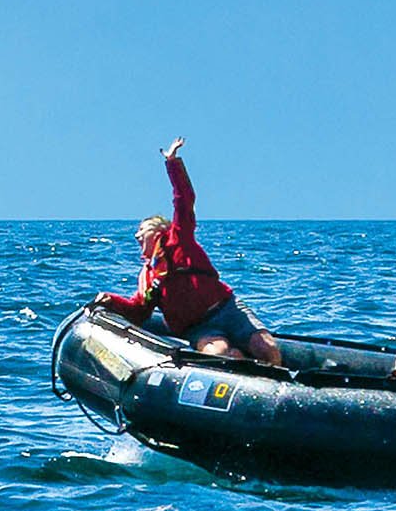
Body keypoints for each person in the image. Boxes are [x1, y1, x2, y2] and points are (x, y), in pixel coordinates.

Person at [93, 139, 282, 365]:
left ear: (159, 230)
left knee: (266, 348)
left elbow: (184, 199)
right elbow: (139, 312)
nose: (136, 236)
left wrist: (172, 163)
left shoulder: (178, 238)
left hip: (228, 309)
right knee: (221, 354)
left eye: (142, 230)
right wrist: (111, 301)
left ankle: (278, 378)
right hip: (199, 328)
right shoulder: (148, 276)